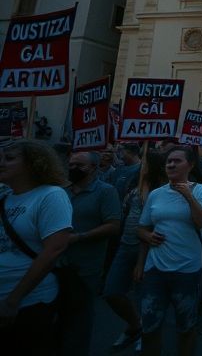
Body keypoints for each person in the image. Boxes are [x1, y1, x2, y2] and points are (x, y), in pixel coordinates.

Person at [136, 146, 202, 356]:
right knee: (149, 326)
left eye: (177, 161)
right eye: (168, 161)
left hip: (187, 271)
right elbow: (142, 228)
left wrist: (189, 196)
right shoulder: (156, 194)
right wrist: (146, 239)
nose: (171, 164)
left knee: (186, 327)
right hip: (155, 270)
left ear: (190, 165)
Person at [0, 140, 72, 355]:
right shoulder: (4, 197)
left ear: (33, 164)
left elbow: (54, 250)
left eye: (9, 158)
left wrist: (14, 300)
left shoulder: (51, 196)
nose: (1, 163)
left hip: (29, 303)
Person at [103, 149, 167, 353]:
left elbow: (151, 226)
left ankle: (146, 333)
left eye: (145, 162)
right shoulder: (134, 183)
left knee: (144, 296)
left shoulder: (162, 191)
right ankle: (136, 324)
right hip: (125, 244)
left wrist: (140, 261)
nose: (142, 165)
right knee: (112, 291)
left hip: (147, 249)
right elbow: (125, 210)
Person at [60, 150, 122, 355]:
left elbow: (113, 226)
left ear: (94, 168)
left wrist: (79, 237)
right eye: (71, 164)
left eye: (80, 166)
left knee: (79, 318)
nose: (73, 169)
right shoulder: (62, 191)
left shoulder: (106, 192)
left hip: (85, 267)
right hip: (56, 264)